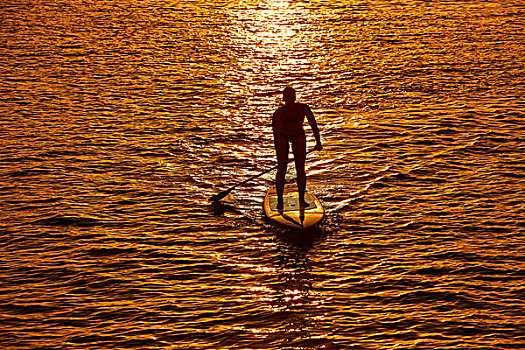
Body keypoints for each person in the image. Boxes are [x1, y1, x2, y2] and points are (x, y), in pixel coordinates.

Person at [272, 87, 322, 210]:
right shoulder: (278, 113)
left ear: (295, 98)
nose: (289, 100)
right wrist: (282, 153)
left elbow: (313, 125)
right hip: (282, 138)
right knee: (282, 168)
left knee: (300, 168)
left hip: (298, 136)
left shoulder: (303, 108)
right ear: (284, 99)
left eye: (291, 97)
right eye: (287, 97)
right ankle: (279, 201)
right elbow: (276, 134)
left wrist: (318, 142)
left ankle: (301, 199)